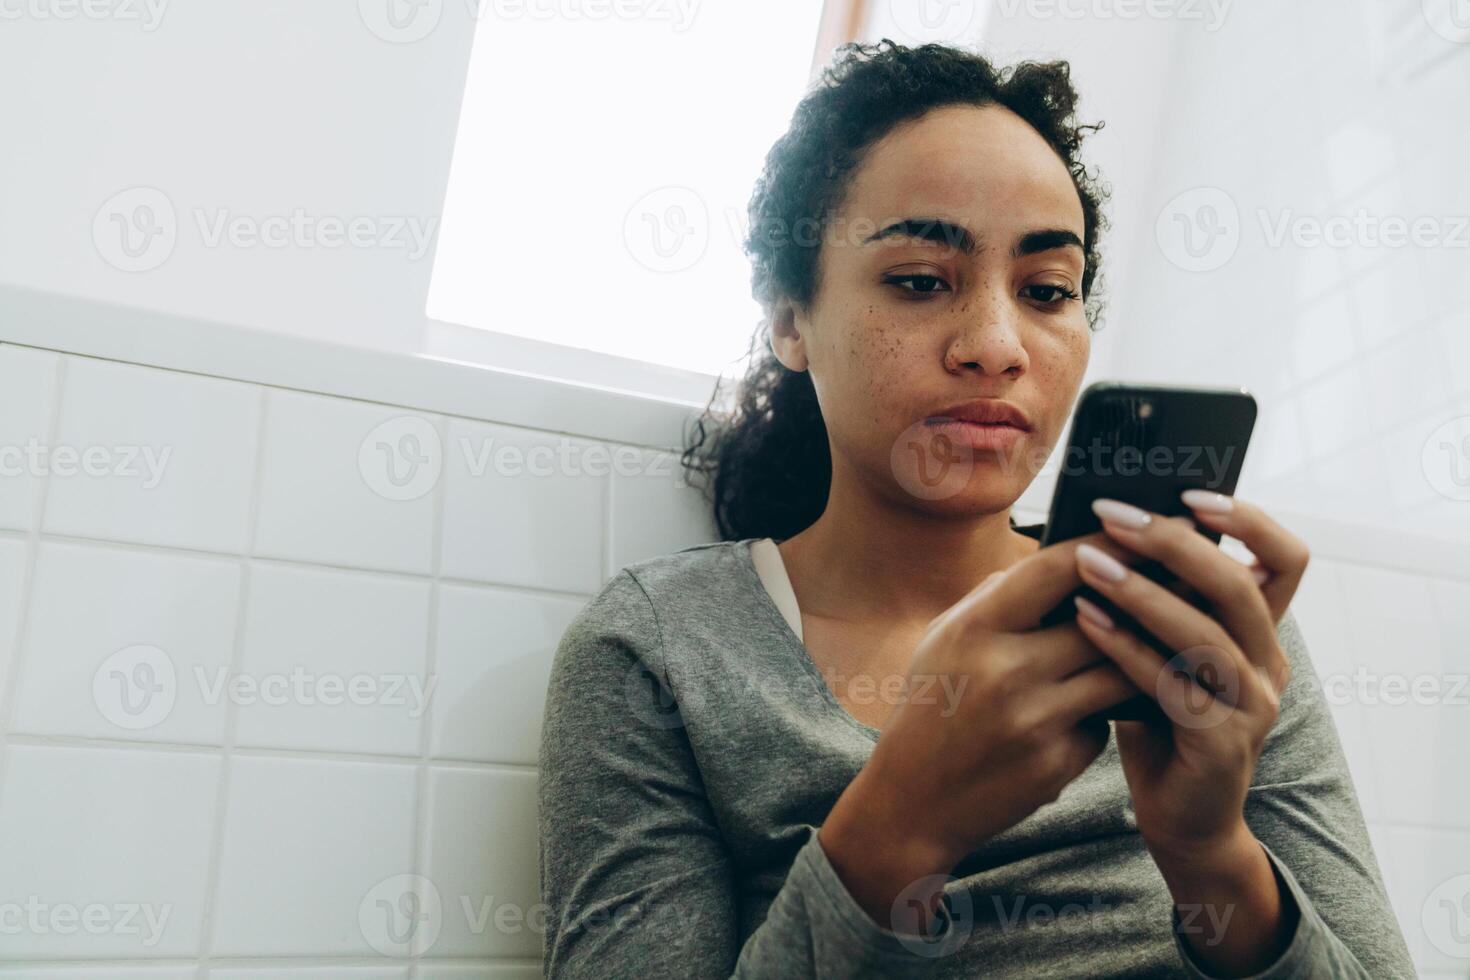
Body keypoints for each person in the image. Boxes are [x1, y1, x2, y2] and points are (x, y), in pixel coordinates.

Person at [537, 39, 1415, 978]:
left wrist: (1213, 859)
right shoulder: (662, 650)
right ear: (792, 320)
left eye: (1046, 291)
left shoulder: (1190, 621)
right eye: (920, 280)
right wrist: (900, 824)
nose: (998, 346)